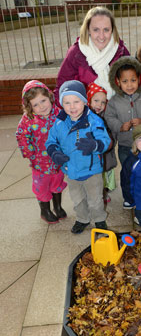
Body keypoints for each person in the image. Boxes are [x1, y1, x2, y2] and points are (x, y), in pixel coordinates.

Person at [46, 80, 111, 234]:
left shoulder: (94, 121)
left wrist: (94, 145)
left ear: (84, 101)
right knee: (77, 199)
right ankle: (82, 219)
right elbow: (50, 141)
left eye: (76, 101)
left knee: (95, 200)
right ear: (62, 104)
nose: (72, 107)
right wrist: (54, 153)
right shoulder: (59, 123)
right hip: (71, 170)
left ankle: (99, 219)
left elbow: (105, 141)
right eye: (67, 103)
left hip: (91, 170)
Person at [54, 6, 130, 105]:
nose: (101, 36)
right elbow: (62, 88)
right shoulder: (76, 53)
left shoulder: (121, 51)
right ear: (88, 29)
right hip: (85, 114)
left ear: (112, 30)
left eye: (106, 30)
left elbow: (133, 84)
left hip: (117, 111)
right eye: (96, 30)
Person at [16, 80, 67, 224]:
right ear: (29, 107)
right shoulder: (28, 119)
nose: (41, 106)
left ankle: (57, 206)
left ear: (50, 98)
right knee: (41, 186)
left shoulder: (58, 113)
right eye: (35, 105)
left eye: (43, 101)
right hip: (39, 162)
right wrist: (30, 152)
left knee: (57, 181)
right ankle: (45, 210)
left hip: (57, 159)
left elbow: (67, 127)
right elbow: (21, 135)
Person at [105, 56, 141, 172]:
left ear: (139, 79)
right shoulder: (114, 101)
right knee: (128, 171)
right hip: (125, 145)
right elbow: (109, 117)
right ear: (118, 82)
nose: (129, 85)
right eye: (125, 81)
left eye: (133, 80)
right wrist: (120, 126)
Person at [87, 82, 117, 204]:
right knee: (93, 176)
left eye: (103, 102)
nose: (99, 105)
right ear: (89, 100)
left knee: (103, 173)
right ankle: (95, 194)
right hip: (91, 153)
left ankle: (103, 192)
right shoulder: (86, 116)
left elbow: (111, 133)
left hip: (105, 152)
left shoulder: (106, 116)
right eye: (96, 100)